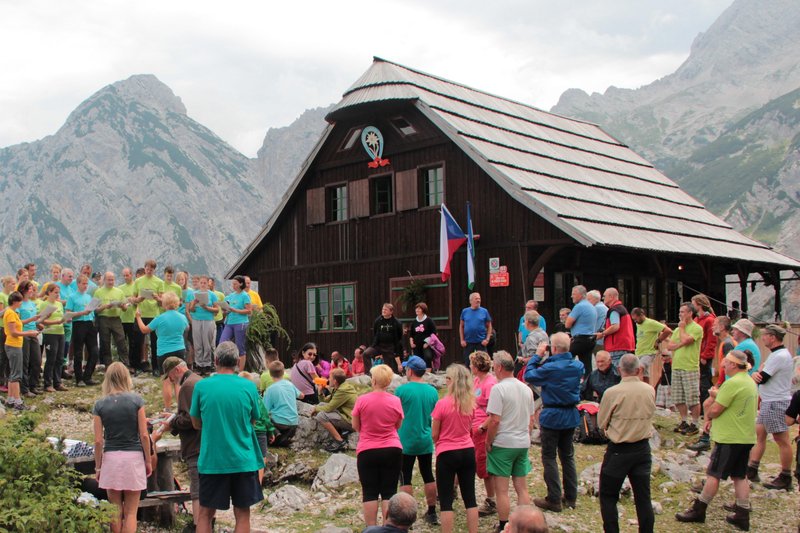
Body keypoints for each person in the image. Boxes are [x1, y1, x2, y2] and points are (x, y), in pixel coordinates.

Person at [675, 350, 758, 531]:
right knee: (739, 475)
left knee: (714, 474)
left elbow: (715, 409)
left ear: (734, 365)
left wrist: (713, 401)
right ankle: (742, 513)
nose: (723, 365)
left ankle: (699, 509)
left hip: (729, 437)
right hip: (745, 436)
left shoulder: (732, 384)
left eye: (726, 362)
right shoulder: (749, 382)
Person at [189, 341, 264, 533]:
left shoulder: (202, 386)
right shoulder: (248, 386)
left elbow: (196, 423)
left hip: (213, 460)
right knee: (242, 513)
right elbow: (254, 420)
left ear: (216, 360)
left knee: (205, 513)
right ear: (237, 362)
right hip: (243, 459)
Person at [525, 332, 583, 513]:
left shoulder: (550, 368)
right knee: (567, 456)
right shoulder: (578, 366)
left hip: (552, 414)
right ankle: (571, 497)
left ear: (554, 348)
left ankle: (554, 498)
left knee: (549, 456)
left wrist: (537, 355)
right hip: (571, 414)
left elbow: (529, 375)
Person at [598, 354, 656, 533]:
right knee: (643, 497)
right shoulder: (649, 390)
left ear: (618, 369)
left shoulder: (612, 392)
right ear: (639, 369)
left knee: (608, 495)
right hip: (642, 448)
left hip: (619, 449)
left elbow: (601, 422)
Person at [92, 362, 153, 533]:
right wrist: (147, 460)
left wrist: (98, 467)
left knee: (115, 510)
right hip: (133, 458)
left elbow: (98, 440)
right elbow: (143, 435)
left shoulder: (100, 405)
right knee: (131, 512)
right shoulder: (136, 401)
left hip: (111, 458)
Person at [483, 351, 534, 532]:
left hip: (504, 443)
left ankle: (504, 524)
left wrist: (489, 441)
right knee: (522, 487)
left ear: (499, 367)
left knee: (502, 489)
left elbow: (495, 420)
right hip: (522, 442)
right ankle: (525, 524)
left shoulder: (499, 389)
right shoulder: (526, 388)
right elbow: (531, 418)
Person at [352, 364, 404, 527]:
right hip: (392, 448)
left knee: (369, 493)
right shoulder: (395, 400)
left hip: (368, 448)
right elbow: (398, 425)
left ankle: (371, 529)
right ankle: (388, 528)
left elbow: (355, 425)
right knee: (389, 491)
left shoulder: (362, 400)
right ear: (388, 382)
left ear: (373, 380)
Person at [155, 356, 202, 532]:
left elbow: (189, 419)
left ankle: (198, 525)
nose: (170, 380)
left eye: (169, 376)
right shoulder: (198, 380)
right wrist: (174, 417)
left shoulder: (187, 386)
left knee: (197, 490)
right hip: (204, 442)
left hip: (195, 444)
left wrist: (171, 424)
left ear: (176, 370)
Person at [432, 364, 479, 533]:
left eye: (447, 378)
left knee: (446, 501)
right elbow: (471, 428)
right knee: (470, 498)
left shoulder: (442, 404)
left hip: (447, 451)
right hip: (467, 450)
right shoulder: (470, 403)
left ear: (452, 381)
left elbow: (435, 434)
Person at [746, 323, 794, 490]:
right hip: (769, 400)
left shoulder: (778, 356)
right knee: (760, 433)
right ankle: (752, 468)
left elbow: (762, 377)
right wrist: (757, 373)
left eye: (765, 335)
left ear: (773, 337)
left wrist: (756, 374)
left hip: (776, 401)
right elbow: (759, 372)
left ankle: (786, 476)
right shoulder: (777, 354)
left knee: (781, 439)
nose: (763, 337)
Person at [395, 355, 439, 526]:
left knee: (405, 477)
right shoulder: (433, 391)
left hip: (406, 440)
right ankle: (432, 512)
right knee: (428, 474)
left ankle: (407, 517)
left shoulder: (402, 391)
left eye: (406, 368)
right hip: (426, 438)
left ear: (410, 371)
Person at [690, 315, 736, 452]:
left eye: (715, 324)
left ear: (722, 327)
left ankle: (706, 438)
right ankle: (707, 437)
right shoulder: (726, 342)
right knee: (708, 404)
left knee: (708, 404)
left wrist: (720, 385)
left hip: (726, 383)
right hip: (724, 382)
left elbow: (729, 366)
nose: (712, 327)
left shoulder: (727, 343)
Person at [135, 292, 188, 409]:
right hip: (180, 349)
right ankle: (181, 409)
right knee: (179, 381)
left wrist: (138, 317)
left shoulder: (160, 318)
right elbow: (186, 328)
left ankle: (168, 408)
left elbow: (144, 330)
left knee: (167, 381)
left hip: (164, 352)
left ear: (164, 304)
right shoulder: (182, 317)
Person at [666, 302, 703, 435]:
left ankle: (695, 423)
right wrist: (680, 343)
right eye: (680, 312)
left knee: (692, 397)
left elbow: (687, 340)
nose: (680, 314)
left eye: (683, 312)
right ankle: (684, 420)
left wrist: (682, 330)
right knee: (678, 397)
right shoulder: (676, 330)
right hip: (677, 366)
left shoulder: (696, 328)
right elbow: (670, 346)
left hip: (690, 367)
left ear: (690, 313)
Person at [469, 351, 499, 516]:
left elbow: (494, 411)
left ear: (477, 366)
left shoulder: (490, 383)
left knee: (483, 464)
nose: (470, 367)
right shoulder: (475, 380)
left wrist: (483, 427)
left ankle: (491, 500)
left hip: (482, 429)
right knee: (469, 459)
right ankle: (453, 488)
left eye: (472, 364)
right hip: (472, 426)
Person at [3, 291, 40, 410]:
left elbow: (19, 324)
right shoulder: (10, 313)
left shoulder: (12, 312)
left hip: (14, 345)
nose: (21, 303)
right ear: (15, 302)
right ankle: (18, 402)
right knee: (16, 374)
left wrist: (31, 319)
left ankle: (10, 399)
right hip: (14, 345)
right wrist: (29, 333)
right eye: (19, 301)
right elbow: (13, 332)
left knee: (13, 373)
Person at [67, 275, 101, 387]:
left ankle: (88, 376)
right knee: (78, 352)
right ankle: (79, 378)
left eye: (87, 284)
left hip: (90, 323)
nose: (85, 286)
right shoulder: (72, 297)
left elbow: (92, 310)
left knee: (94, 351)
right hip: (79, 324)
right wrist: (81, 313)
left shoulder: (88, 296)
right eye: (83, 283)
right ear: (78, 284)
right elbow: (68, 313)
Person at [314, 368, 358, 452]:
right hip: (348, 416)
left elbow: (329, 408)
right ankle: (339, 434)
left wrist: (315, 409)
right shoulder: (341, 387)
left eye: (329, 377)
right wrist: (320, 392)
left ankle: (340, 441)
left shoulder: (342, 390)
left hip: (352, 421)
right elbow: (325, 402)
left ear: (335, 381)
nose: (328, 379)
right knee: (321, 405)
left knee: (321, 415)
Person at [132, 259, 164, 375]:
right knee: (137, 342)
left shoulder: (159, 282)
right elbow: (132, 299)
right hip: (140, 314)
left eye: (151, 269)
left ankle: (156, 367)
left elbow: (162, 302)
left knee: (155, 342)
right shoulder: (138, 281)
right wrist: (138, 299)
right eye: (147, 269)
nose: (149, 271)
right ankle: (137, 367)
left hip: (154, 315)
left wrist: (157, 298)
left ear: (154, 270)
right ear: (144, 268)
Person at [264, 360, 304, 447]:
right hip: (293, 423)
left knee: (264, 418)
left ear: (270, 374)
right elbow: (302, 396)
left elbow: (264, 411)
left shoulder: (270, 389)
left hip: (279, 424)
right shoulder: (290, 384)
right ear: (283, 372)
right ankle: (284, 439)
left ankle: (276, 434)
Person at [94, 272, 130, 368]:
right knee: (105, 342)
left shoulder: (119, 292)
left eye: (112, 280)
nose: (111, 282)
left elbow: (126, 308)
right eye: (109, 280)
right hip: (103, 319)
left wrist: (122, 306)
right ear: (104, 280)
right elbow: (95, 310)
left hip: (116, 319)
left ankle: (125, 364)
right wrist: (106, 306)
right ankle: (108, 365)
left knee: (121, 340)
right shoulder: (98, 292)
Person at [185, 276, 219, 375]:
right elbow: (191, 310)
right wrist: (194, 303)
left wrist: (207, 307)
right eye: (201, 283)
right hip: (196, 319)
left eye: (205, 283)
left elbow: (217, 309)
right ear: (199, 284)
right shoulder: (193, 294)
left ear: (208, 284)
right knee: (198, 343)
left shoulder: (212, 295)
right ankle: (199, 365)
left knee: (207, 342)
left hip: (208, 320)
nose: (203, 284)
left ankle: (207, 364)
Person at [38, 284, 68, 392]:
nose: (57, 294)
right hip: (50, 334)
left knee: (60, 358)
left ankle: (58, 382)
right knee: (51, 358)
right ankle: (47, 384)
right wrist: (56, 322)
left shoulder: (59, 304)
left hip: (61, 332)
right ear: (49, 292)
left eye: (58, 292)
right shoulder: (44, 304)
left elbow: (61, 317)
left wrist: (65, 319)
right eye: (55, 292)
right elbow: (41, 321)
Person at [631, 307, 672, 384]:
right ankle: (647, 391)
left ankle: (638, 387)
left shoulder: (651, 323)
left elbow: (668, 330)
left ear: (641, 315)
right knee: (645, 375)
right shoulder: (638, 324)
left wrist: (658, 340)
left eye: (636, 319)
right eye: (634, 320)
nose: (635, 321)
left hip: (649, 352)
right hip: (639, 352)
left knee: (639, 368)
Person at [692, 294, 718, 414]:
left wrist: (705, 355)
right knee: (699, 382)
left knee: (705, 382)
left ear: (699, 305)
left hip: (704, 355)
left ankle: (705, 407)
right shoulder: (697, 319)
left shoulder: (709, 320)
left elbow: (711, 340)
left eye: (693, 303)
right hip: (696, 354)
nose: (692, 306)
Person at [219, 275, 252, 371]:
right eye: (232, 283)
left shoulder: (245, 295)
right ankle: (225, 366)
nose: (233, 285)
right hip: (229, 322)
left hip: (240, 323)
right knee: (222, 343)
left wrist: (235, 310)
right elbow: (226, 310)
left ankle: (240, 371)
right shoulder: (230, 296)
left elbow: (249, 311)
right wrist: (225, 310)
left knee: (240, 347)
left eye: (235, 283)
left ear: (241, 284)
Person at [597, 288, 635, 368]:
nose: (603, 298)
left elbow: (615, 326)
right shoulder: (621, 309)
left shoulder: (614, 310)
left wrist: (602, 334)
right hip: (624, 346)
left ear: (611, 297)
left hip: (617, 347)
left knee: (616, 373)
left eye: (604, 296)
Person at [564, 285, 595, 380]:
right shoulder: (590, 306)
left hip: (580, 339)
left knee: (563, 358)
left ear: (581, 295)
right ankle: (588, 390)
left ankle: (566, 381)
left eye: (574, 294)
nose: (571, 296)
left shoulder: (579, 306)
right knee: (587, 366)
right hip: (590, 339)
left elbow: (567, 324)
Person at [17, 280, 42, 395]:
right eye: (30, 288)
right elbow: (17, 322)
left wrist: (39, 323)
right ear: (24, 290)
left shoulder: (32, 304)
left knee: (37, 361)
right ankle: (24, 388)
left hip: (34, 333)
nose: (32, 291)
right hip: (24, 334)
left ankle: (33, 385)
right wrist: (32, 320)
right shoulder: (19, 304)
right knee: (25, 362)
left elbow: (34, 320)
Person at [364, 303, 403, 373]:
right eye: (383, 309)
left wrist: (394, 349)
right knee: (366, 353)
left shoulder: (396, 323)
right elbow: (375, 332)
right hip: (378, 345)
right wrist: (375, 343)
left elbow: (399, 336)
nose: (383, 311)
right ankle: (368, 374)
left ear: (391, 312)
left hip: (390, 347)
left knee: (389, 369)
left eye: (386, 310)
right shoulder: (378, 320)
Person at [117, 268, 142, 374]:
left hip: (133, 318)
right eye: (124, 276)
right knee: (121, 343)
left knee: (134, 343)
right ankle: (123, 364)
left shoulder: (136, 286)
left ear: (132, 275)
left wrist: (134, 301)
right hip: (122, 318)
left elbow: (140, 301)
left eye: (127, 275)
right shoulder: (119, 288)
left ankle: (134, 365)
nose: (126, 277)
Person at [460, 292, 493, 363]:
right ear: (470, 301)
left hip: (481, 342)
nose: (478, 300)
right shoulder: (465, 311)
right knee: (468, 363)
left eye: (479, 299)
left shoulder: (484, 311)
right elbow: (461, 326)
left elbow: (489, 326)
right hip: (468, 342)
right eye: (476, 299)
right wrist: (462, 340)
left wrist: (487, 339)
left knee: (483, 363)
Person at [409, 303, 437, 370]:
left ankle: (429, 373)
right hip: (416, 346)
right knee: (418, 360)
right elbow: (411, 335)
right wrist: (411, 343)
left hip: (426, 344)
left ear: (423, 310)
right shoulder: (414, 322)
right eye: (416, 308)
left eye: (419, 308)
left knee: (428, 357)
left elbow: (434, 334)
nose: (417, 310)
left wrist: (427, 343)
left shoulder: (429, 321)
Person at [587, 290, 608, 354]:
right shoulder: (604, 307)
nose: (587, 302)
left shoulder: (596, 308)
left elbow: (586, 321)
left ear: (595, 299)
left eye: (588, 299)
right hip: (602, 339)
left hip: (598, 340)